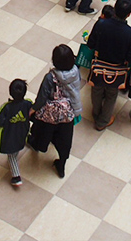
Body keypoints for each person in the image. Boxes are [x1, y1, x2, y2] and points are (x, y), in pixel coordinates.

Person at [29, 45, 82, 178]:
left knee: (42, 131)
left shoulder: (50, 77)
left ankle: (37, 144)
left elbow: (42, 97)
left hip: (50, 115)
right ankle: (61, 164)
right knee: (64, 139)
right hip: (67, 114)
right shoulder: (76, 71)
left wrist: (33, 109)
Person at [86, 0, 131, 130]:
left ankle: (96, 113)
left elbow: (90, 43)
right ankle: (103, 121)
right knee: (111, 94)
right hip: (116, 70)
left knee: (96, 90)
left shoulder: (101, 24)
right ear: (129, 14)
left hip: (99, 66)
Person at [0, 78, 33, 187]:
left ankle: (16, 176)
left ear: (10, 92)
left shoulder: (6, 107)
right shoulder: (28, 104)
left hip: (9, 136)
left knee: (11, 156)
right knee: (17, 148)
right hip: (22, 133)